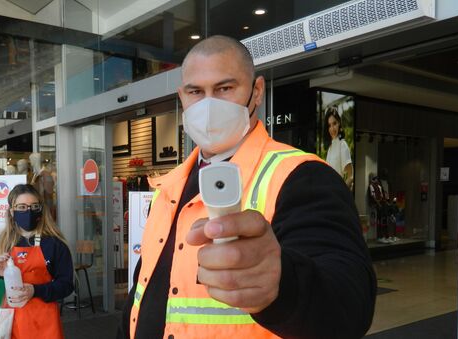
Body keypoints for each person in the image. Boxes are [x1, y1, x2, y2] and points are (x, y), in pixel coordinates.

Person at [120, 36, 376, 339]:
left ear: (256, 91)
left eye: (224, 88)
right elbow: (143, 287)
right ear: (182, 97)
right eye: (195, 92)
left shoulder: (302, 177)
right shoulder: (167, 186)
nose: (208, 105)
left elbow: (349, 305)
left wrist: (284, 286)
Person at [0, 184, 73, 339]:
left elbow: (67, 285)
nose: (28, 211)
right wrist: (0, 276)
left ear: (41, 210)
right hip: (7, 325)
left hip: (45, 325)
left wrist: (35, 290)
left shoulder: (55, 245)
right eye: (22, 207)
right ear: (12, 211)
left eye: (34, 206)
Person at [324, 106, 354, 189]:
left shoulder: (342, 145)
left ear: (339, 123)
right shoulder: (330, 147)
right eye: (329, 125)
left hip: (336, 196)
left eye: (334, 123)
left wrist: (339, 193)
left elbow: (351, 177)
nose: (332, 128)